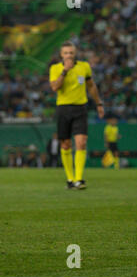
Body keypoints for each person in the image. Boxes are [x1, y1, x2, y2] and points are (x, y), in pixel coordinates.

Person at [49, 41, 104, 189]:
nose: (68, 55)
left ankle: (79, 179)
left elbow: (91, 86)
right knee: (66, 144)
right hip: (63, 108)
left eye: (71, 53)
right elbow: (55, 87)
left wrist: (99, 103)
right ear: (61, 55)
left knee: (81, 142)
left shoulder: (84, 67)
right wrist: (65, 71)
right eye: (66, 53)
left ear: (75, 53)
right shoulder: (55, 68)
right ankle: (70, 179)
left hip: (80, 108)